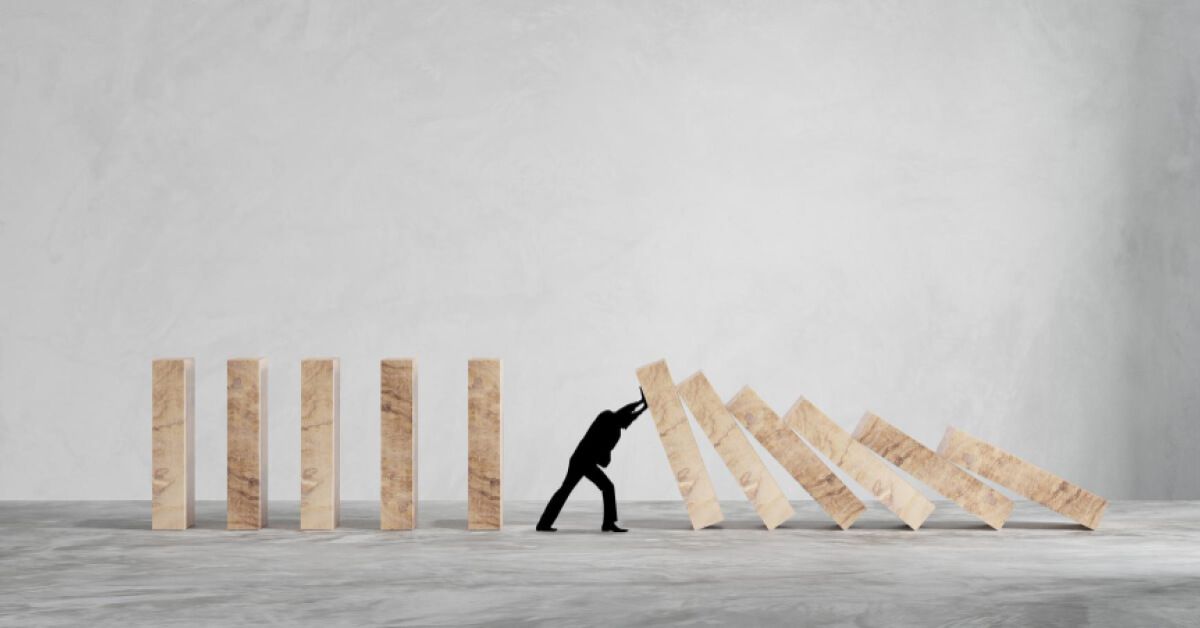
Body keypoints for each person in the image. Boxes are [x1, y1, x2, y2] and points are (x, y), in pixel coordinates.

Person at [536, 388, 648, 532]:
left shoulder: (611, 422)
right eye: (627, 423)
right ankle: (607, 523)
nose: (627, 426)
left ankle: (544, 523)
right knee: (604, 487)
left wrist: (642, 406)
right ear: (622, 419)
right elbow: (627, 412)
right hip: (582, 461)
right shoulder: (609, 421)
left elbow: (628, 414)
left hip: (582, 460)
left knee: (567, 490)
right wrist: (641, 404)